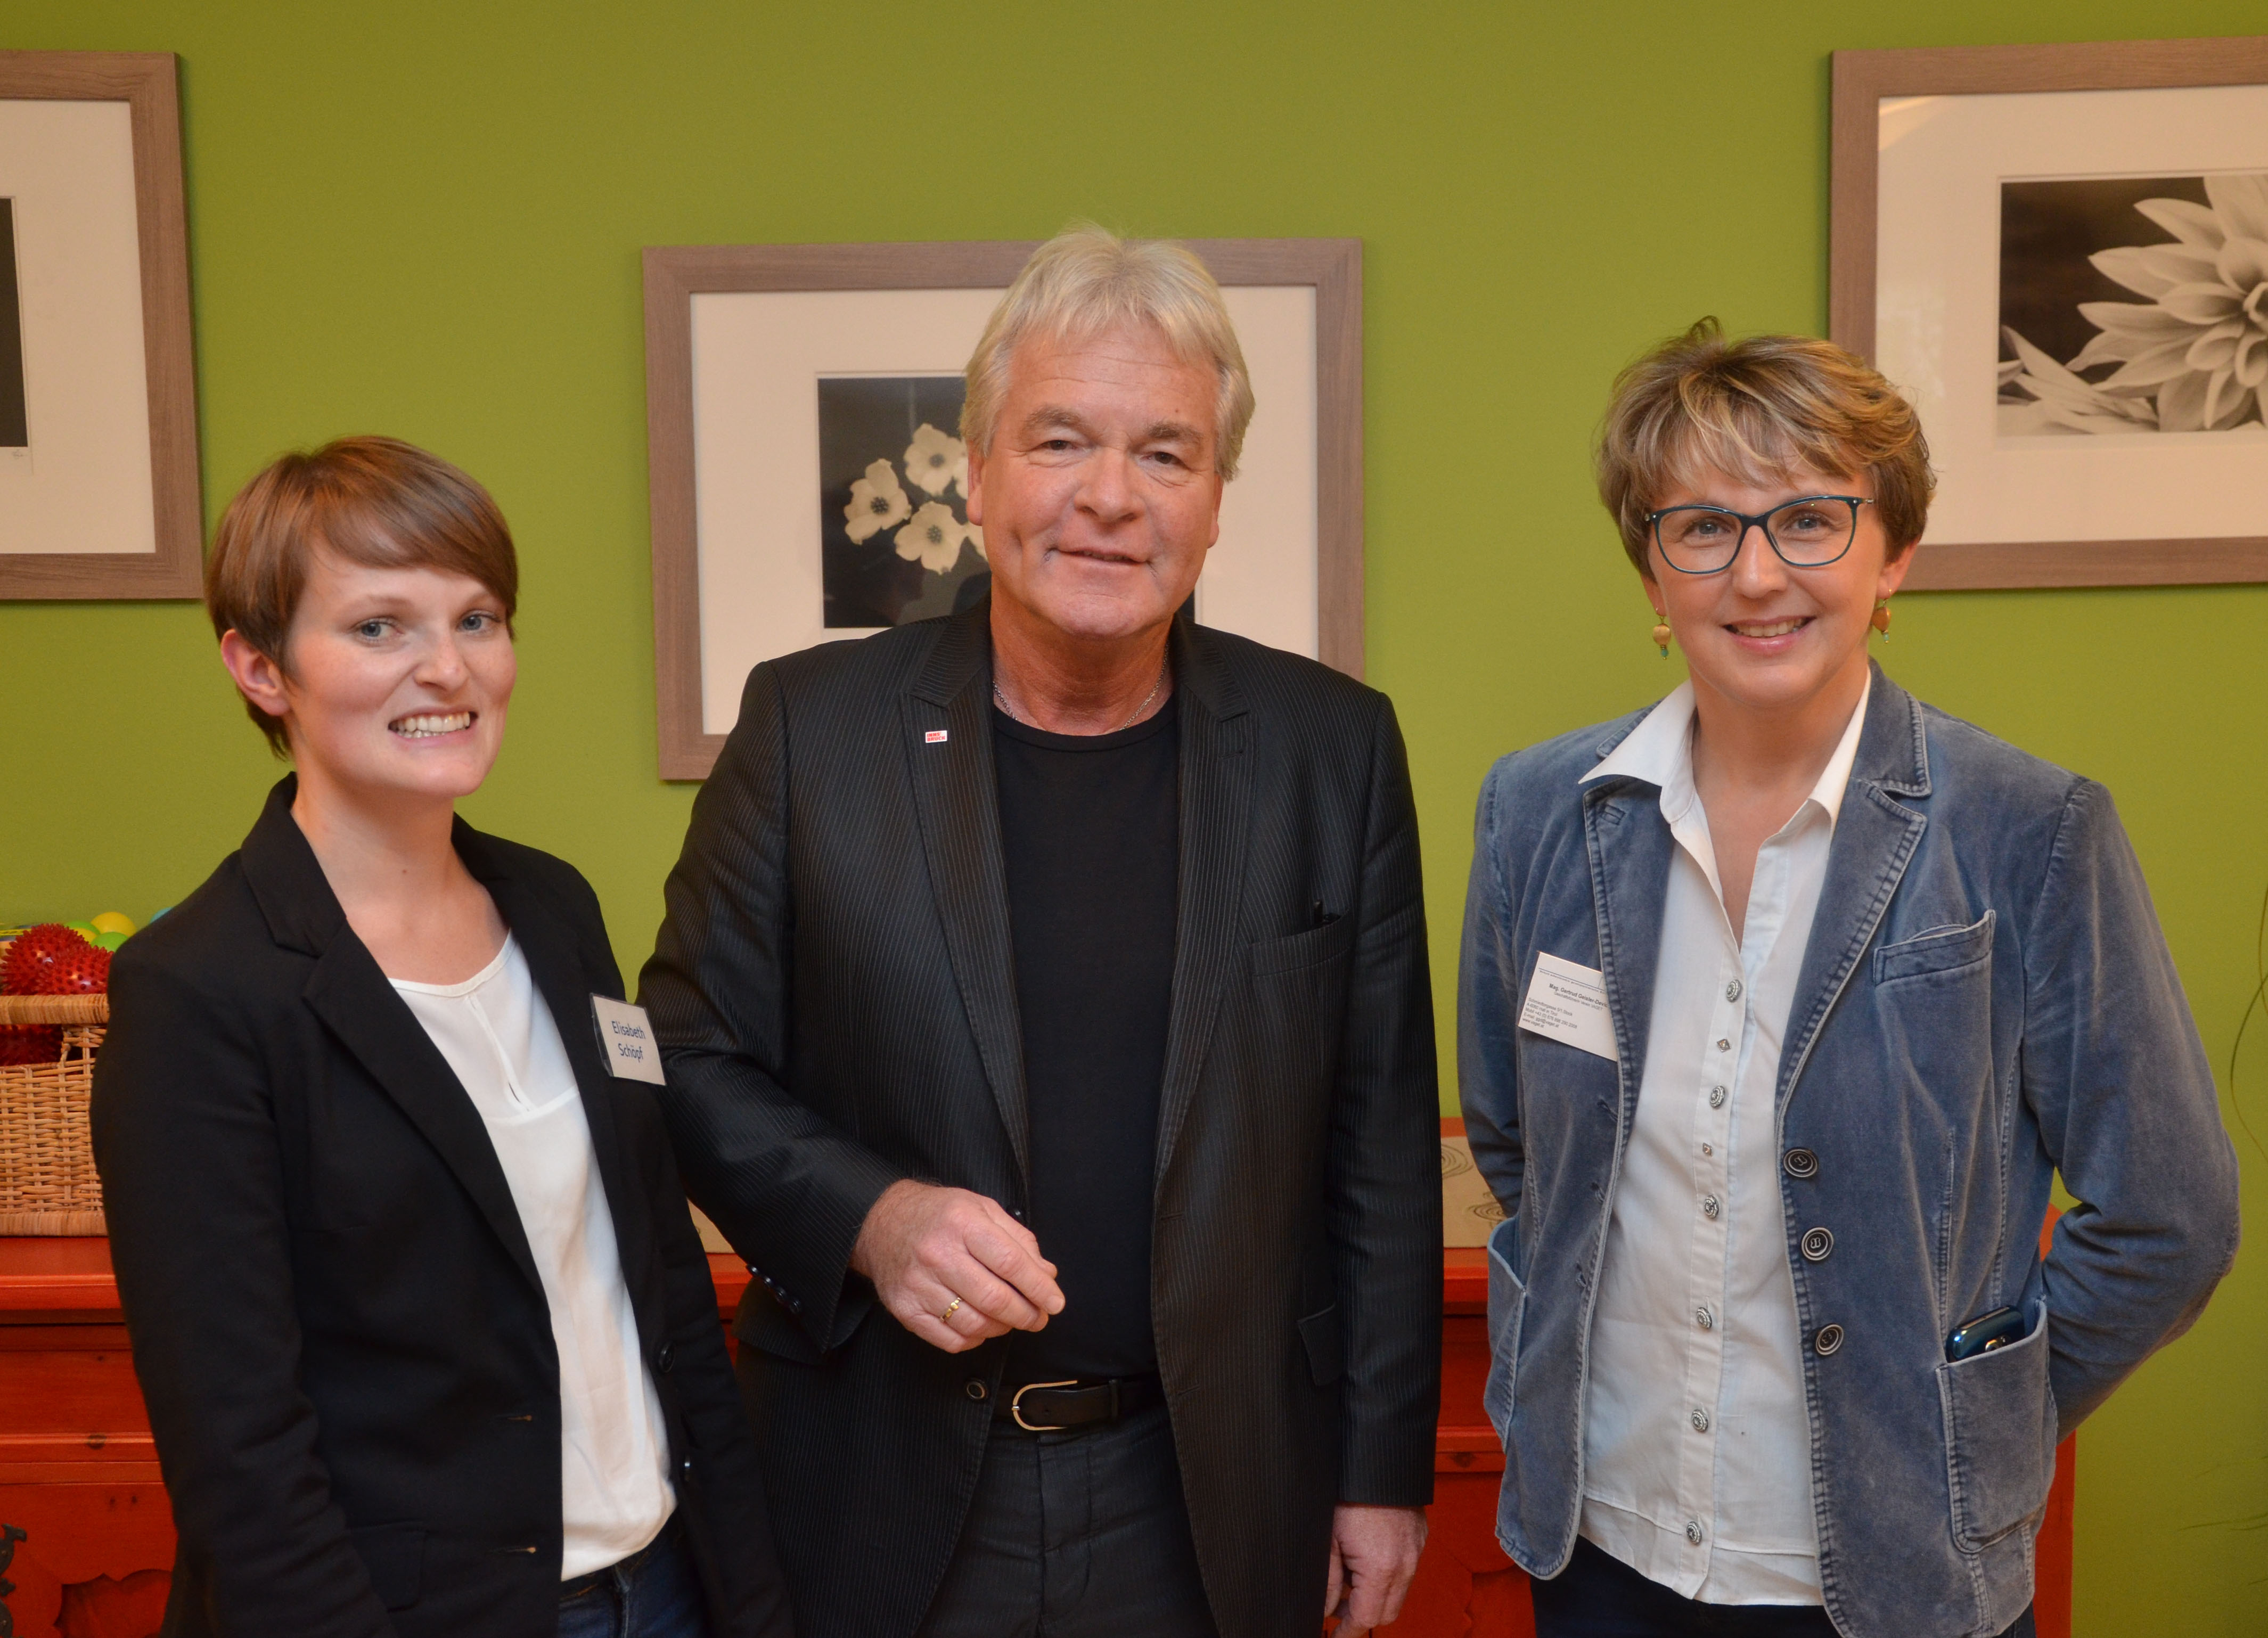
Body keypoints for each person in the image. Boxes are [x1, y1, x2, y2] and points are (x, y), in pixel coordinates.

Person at [638, 225, 1442, 1638]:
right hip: (879, 1480)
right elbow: (687, 1063)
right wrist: (870, 1218)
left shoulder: (1332, 752)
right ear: (978, 467)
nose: (1108, 499)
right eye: (1060, 440)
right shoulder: (809, 732)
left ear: (1213, 502)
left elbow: (1372, 1149)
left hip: (1204, 1496)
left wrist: (1381, 1473)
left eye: (1165, 454)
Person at [1458, 322, 2240, 1638]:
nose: (1758, 573)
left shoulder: (2027, 829)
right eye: (1702, 527)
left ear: (1893, 556)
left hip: (1894, 1568)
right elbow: (1519, 1138)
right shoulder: (1542, 810)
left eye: (1811, 518)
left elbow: (2170, 1212)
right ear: (1654, 574)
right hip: (1598, 1545)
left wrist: (1967, 1425)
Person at [92, 438, 794, 1638]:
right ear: (260, 667)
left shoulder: (557, 910)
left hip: (668, 1587)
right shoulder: (198, 992)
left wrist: (755, 1602)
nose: (448, 667)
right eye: (379, 627)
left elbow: (662, 1284)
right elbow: (243, 1459)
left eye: (478, 617)